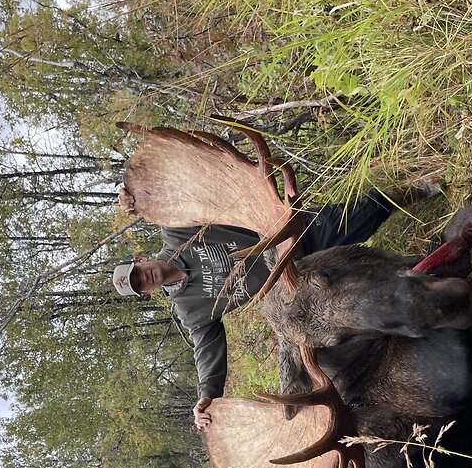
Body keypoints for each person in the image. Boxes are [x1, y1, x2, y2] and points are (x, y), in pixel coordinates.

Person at [113, 182, 440, 429]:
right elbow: (207, 349)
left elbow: (176, 190)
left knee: (358, 216)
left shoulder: (175, 229)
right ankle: (420, 279)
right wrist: (207, 395)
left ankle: (415, 188)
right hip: (294, 291)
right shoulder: (190, 309)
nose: (146, 277)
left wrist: (136, 195)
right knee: (355, 308)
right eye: (141, 284)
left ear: (140, 260)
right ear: (147, 293)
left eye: (139, 272)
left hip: (285, 238)